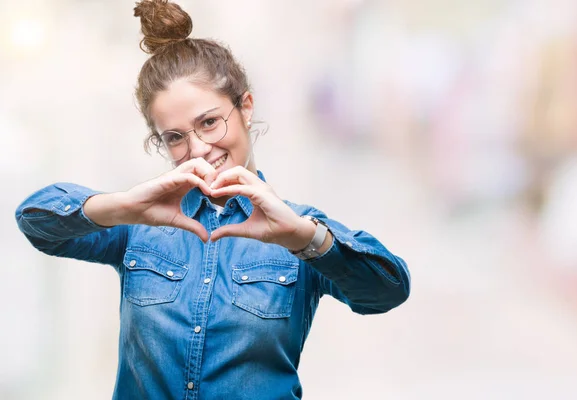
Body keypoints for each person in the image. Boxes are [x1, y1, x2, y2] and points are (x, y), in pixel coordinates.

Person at [15, 1, 411, 398]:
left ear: (246, 108)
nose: (199, 148)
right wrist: (121, 207)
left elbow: (387, 289)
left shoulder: (297, 228)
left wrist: (305, 238)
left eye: (209, 122)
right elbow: (36, 221)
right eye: (175, 137)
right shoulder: (140, 222)